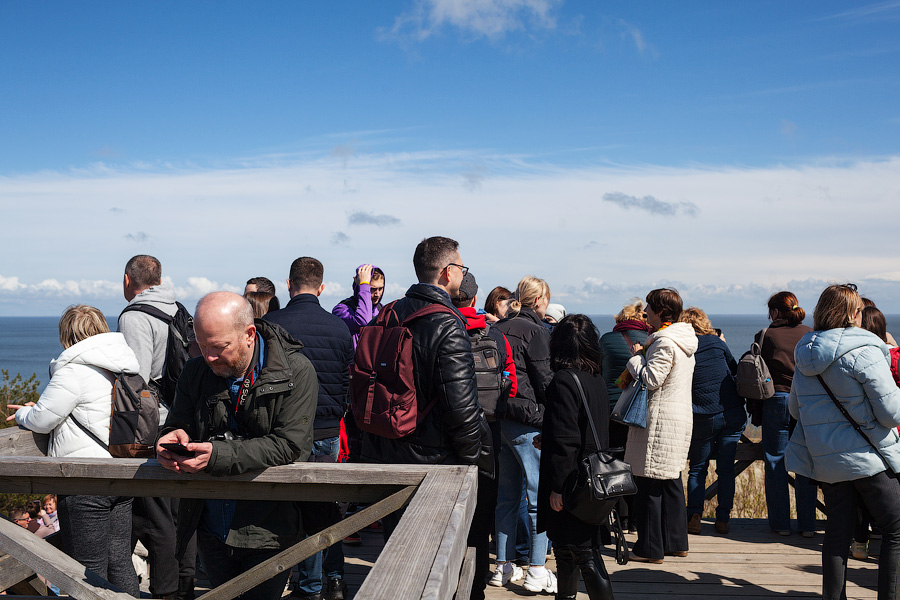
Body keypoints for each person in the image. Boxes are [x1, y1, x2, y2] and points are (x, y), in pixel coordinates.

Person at [156, 292, 318, 600]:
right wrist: (168, 439)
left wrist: (217, 455)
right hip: (210, 525)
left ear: (249, 334)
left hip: (268, 528)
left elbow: (290, 446)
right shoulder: (194, 371)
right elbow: (176, 424)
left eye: (219, 347)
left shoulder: (296, 371)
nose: (208, 357)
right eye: (201, 345)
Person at [358, 237, 493, 539]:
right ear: (448, 271)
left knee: (395, 545)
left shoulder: (389, 312)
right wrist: (473, 461)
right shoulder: (447, 324)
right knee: (432, 549)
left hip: (385, 448)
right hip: (433, 460)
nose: (462, 274)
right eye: (461, 268)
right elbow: (461, 407)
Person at [7, 305, 140, 595]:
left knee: (86, 570)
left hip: (85, 481)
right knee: (119, 561)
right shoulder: (121, 365)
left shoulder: (73, 371)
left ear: (66, 335)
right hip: (120, 473)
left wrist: (23, 415)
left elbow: (42, 420)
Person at [785, 284, 900, 600]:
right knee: (895, 529)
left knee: (837, 533)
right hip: (869, 458)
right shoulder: (865, 351)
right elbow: (891, 413)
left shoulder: (806, 353)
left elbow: (794, 409)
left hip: (827, 461)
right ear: (853, 313)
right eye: (860, 309)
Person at [263, 257, 354, 600]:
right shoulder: (338, 328)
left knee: (293, 511)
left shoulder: (271, 325)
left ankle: (308, 586)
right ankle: (335, 579)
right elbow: (345, 382)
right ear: (322, 287)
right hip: (327, 429)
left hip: (284, 431)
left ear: (288, 284)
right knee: (326, 509)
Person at [118, 254, 196, 600]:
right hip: (182, 419)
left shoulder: (135, 315)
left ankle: (165, 591)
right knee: (180, 511)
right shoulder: (177, 308)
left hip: (155, 425)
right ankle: (185, 583)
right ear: (159, 279)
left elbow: (136, 379)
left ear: (127, 280)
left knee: (156, 514)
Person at [537, 314, 615, 600]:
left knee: (582, 553)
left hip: (572, 482)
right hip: (593, 479)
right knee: (567, 550)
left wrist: (558, 487)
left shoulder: (563, 381)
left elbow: (567, 441)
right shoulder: (595, 379)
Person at [452, 272, 517, 600]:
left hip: (450, 432)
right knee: (482, 510)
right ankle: (476, 584)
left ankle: (449, 582)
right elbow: (511, 385)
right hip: (489, 431)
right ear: (476, 299)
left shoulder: (444, 329)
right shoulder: (496, 335)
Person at [492, 276, 556, 594]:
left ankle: (503, 566)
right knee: (537, 499)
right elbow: (545, 380)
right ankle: (536, 569)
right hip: (530, 422)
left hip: (500, 419)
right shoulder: (536, 331)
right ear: (540, 300)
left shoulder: (498, 328)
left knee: (506, 498)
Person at [624, 288, 697, 563]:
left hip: (659, 420)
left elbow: (652, 379)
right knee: (670, 480)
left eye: (649, 308)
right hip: (678, 416)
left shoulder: (665, 342)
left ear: (661, 312)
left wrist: (636, 357)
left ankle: (650, 548)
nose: (645, 313)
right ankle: (676, 542)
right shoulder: (684, 340)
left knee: (649, 483)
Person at [679, 307, 746, 536]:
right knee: (726, 470)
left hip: (703, 415)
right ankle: (723, 519)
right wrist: (722, 344)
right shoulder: (717, 343)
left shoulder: (684, 347)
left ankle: (694, 516)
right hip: (731, 412)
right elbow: (735, 370)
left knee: (698, 468)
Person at [756, 291, 817, 537]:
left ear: (775, 311)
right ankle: (808, 526)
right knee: (805, 463)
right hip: (805, 401)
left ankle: (781, 524)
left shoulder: (766, 335)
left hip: (777, 400)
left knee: (775, 461)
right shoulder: (810, 334)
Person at [598, 299, 650, 531]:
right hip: (639, 409)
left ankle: (621, 518)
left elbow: (598, 369)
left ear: (621, 319)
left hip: (612, 409)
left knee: (615, 463)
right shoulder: (651, 339)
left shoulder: (607, 339)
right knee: (638, 463)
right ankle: (637, 519)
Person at [332, 264, 385, 348]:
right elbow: (364, 321)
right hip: (354, 356)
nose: (377, 294)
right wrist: (364, 285)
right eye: (372, 289)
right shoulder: (341, 310)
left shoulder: (382, 310)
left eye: (380, 289)